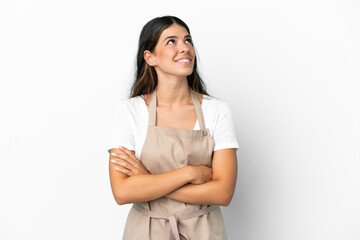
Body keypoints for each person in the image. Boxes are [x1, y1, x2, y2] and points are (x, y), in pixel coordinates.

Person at [108, 15, 239, 240]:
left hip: (204, 232)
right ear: (150, 58)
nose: (184, 48)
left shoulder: (216, 111)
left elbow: (223, 193)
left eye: (187, 40)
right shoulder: (130, 111)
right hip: (145, 232)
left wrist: (147, 180)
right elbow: (122, 192)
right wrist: (189, 173)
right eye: (172, 41)